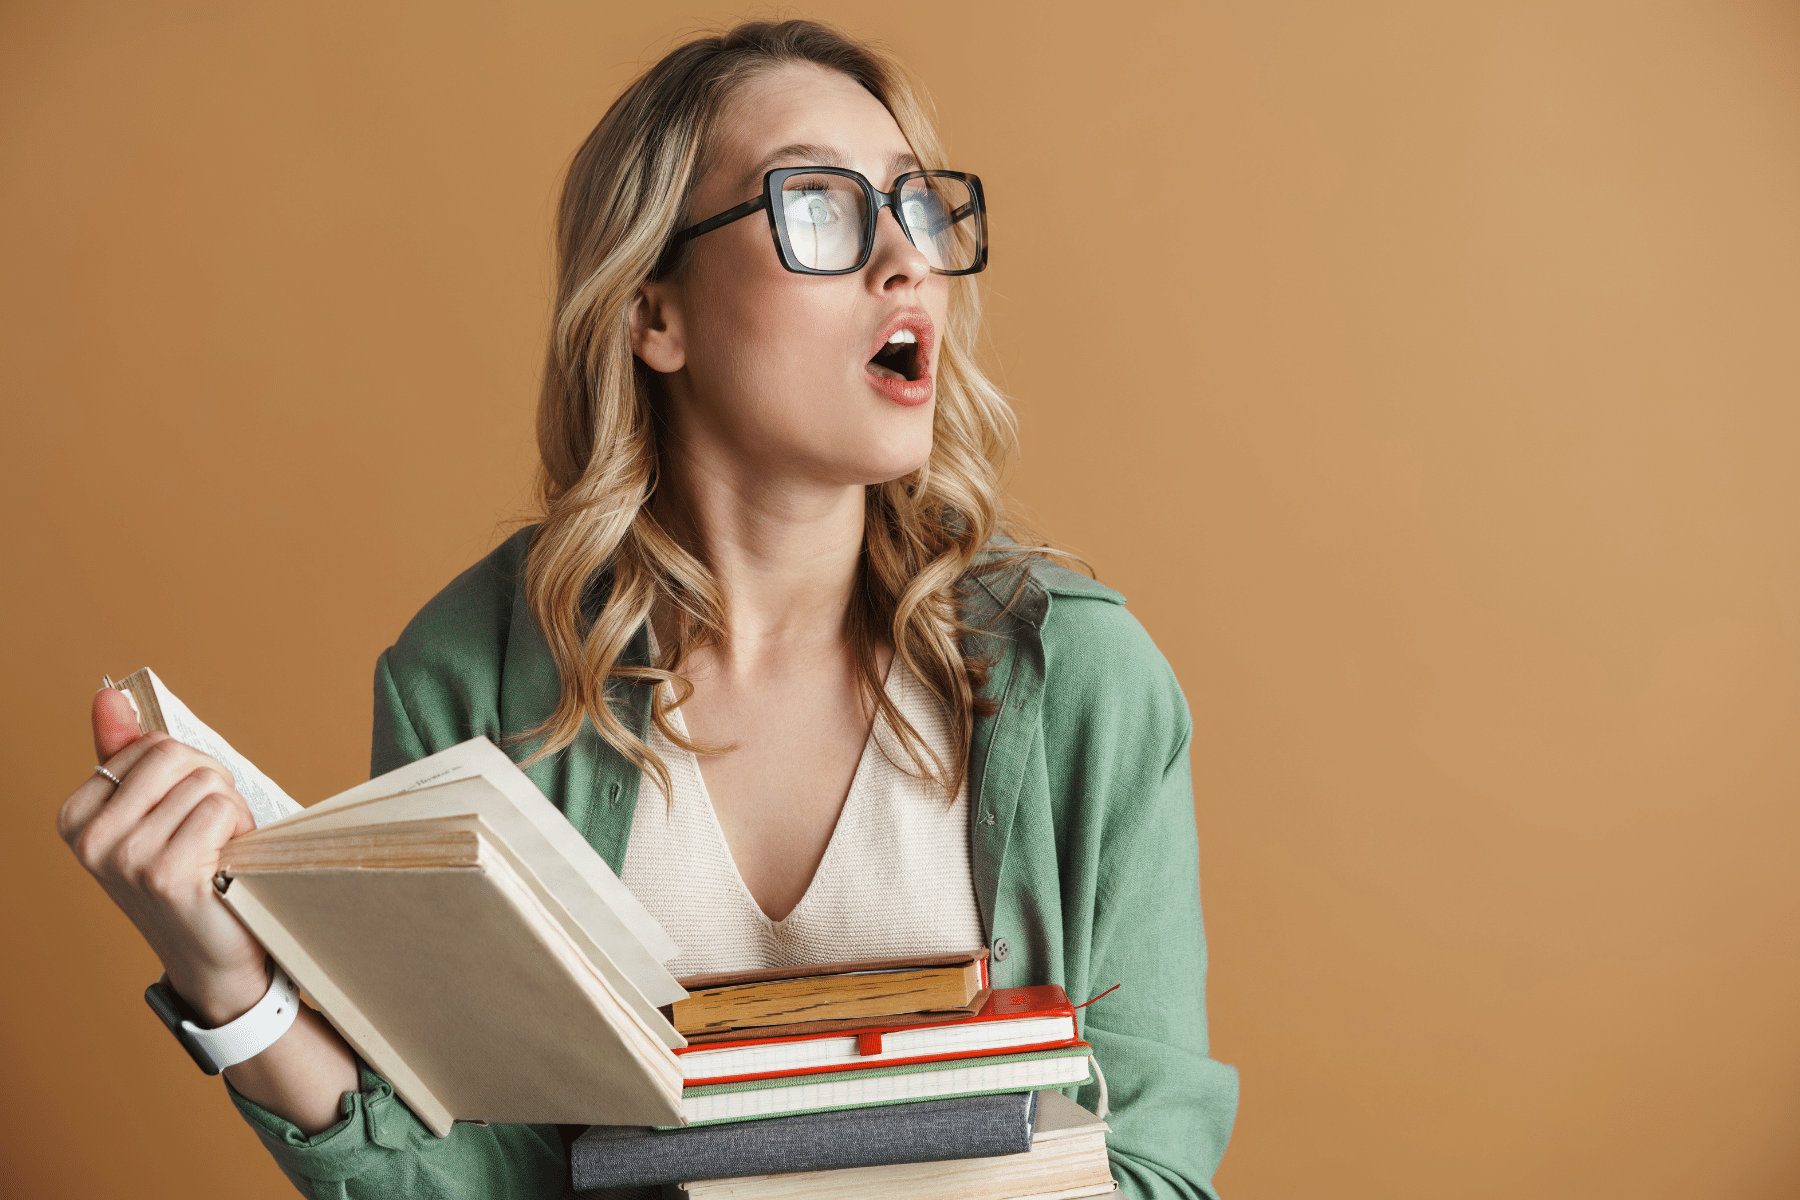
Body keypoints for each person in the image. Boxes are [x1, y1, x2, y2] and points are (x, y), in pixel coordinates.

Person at [57, 19, 1237, 1200]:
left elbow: (1151, 1164)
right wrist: (234, 992)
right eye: (819, 207)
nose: (907, 261)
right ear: (652, 312)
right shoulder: (472, 679)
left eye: (917, 206)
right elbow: (482, 1174)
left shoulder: (1080, 679)